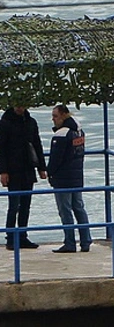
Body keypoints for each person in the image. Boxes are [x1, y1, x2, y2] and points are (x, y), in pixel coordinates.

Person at [0, 105, 47, 250]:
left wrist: (41, 167)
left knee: (26, 204)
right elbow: (1, 148)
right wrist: (3, 171)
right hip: (12, 170)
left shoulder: (30, 122)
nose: (21, 108)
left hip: (28, 168)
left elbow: (37, 144)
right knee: (13, 205)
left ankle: (22, 236)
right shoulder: (5, 123)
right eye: (18, 105)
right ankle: (10, 237)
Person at [48, 104, 92, 253]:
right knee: (79, 207)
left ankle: (70, 242)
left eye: (55, 116)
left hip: (63, 179)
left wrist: (49, 173)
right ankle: (86, 240)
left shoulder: (61, 135)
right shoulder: (79, 132)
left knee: (65, 210)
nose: (53, 119)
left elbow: (56, 159)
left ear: (64, 116)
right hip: (76, 176)